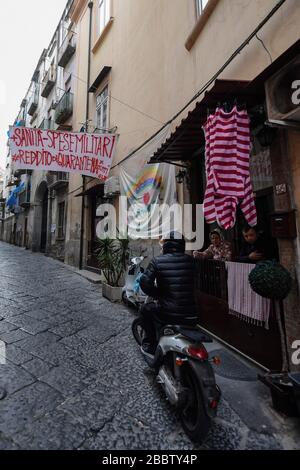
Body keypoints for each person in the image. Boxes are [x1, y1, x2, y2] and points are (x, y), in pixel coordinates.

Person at [139, 231, 198, 356]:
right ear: (182, 245)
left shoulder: (157, 261)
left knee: (144, 309)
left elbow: (144, 283)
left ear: (166, 245)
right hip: (192, 314)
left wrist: (158, 294)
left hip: (168, 312)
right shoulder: (192, 261)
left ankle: (151, 344)